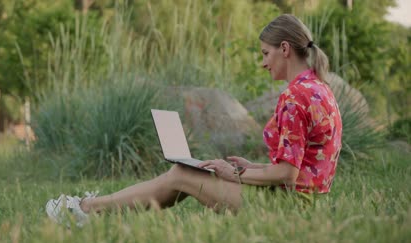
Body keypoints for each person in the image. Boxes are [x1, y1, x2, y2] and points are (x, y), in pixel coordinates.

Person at [45, 14, 342, 227]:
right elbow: (300, 167)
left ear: (285, 49)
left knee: (181, 175)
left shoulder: (294, 97)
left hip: (287, 209)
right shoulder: (319, 90)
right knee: (185, 171)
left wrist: (234, 175)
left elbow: (287, 176)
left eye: (266, 53)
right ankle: (91, 209)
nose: (264, 62)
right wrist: (251, 168)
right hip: (307, 204)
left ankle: (85, 210)